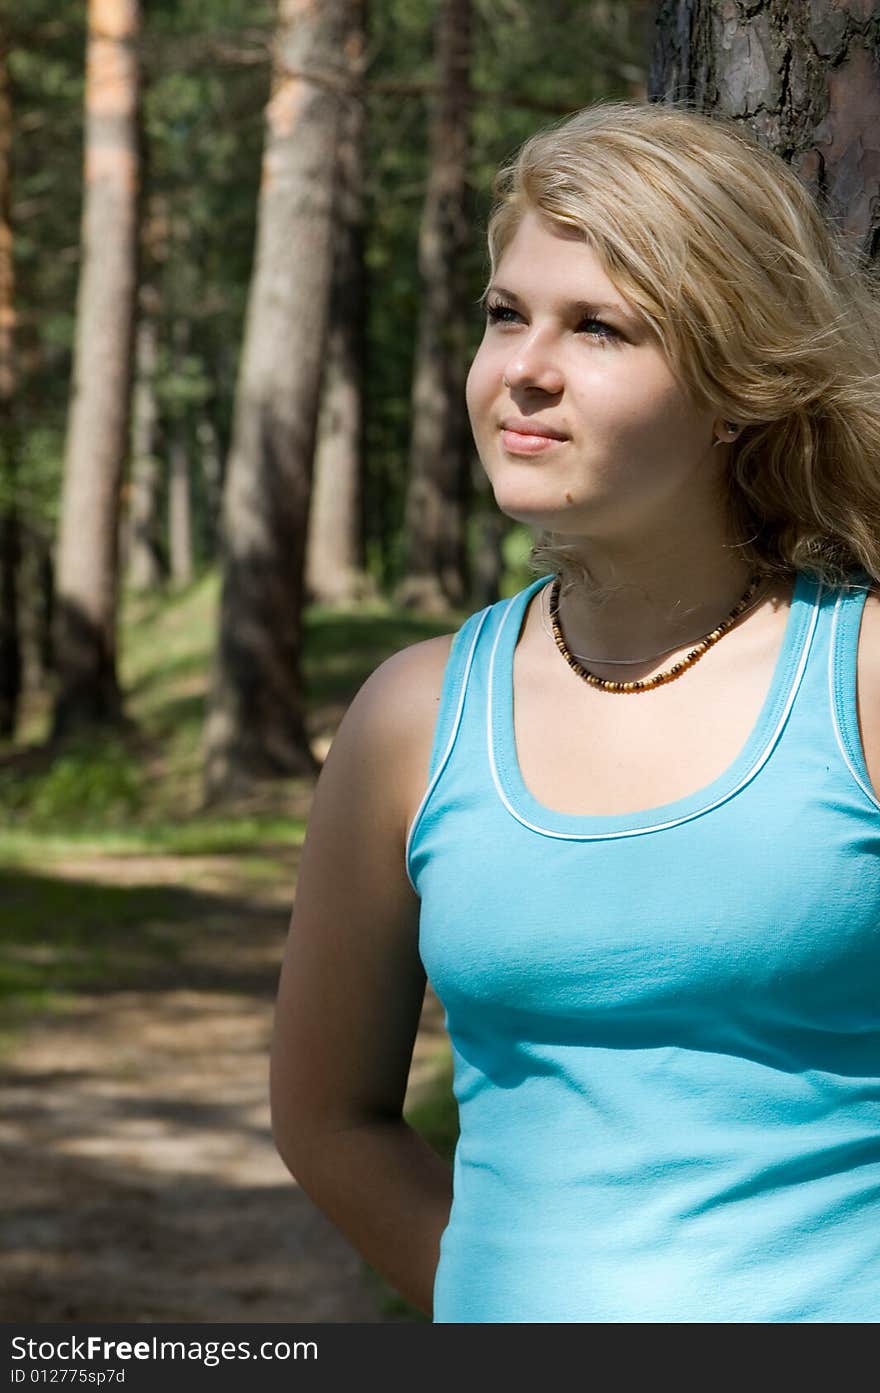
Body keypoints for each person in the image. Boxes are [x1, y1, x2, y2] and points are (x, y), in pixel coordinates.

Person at [269, 99, 880, 1323]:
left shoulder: (860, 680)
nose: (522, 370)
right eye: (506, 314)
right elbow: (326, 1119)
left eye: (598, 326)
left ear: (732, 387)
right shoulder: (412, 715)